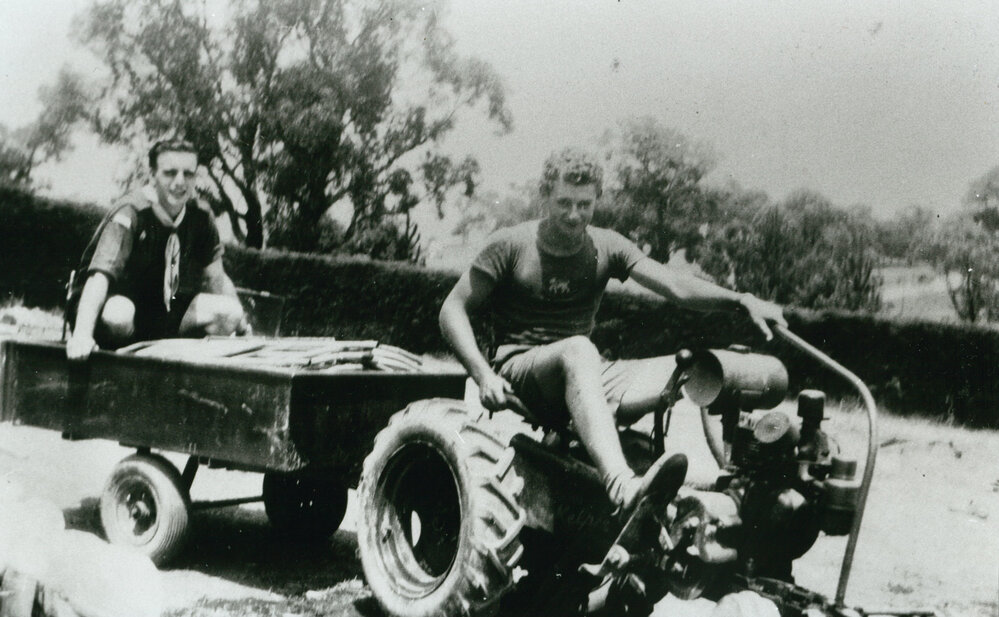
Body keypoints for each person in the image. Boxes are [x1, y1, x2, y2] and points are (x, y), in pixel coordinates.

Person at [439, 148, 786, 517]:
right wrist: (483, 375)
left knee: (700, 368)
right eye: (564, 203)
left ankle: (736, 483)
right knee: (579, 350)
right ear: (544, 196)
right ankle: (622, 485)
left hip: (585, 372)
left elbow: (674, 285)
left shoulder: (606, 245)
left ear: (597, 199)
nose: (574, 215)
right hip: (522, 373)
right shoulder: (510, 244)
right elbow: (451, 311)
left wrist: (741, 300)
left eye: (584, 205)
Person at [66, 138, 247, 361]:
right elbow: (99, 277)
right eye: (170, 173)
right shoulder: (131, 212)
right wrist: (82, 335)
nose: (180, 182)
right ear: (152, 175)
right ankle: (118, 369)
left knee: (230, 312)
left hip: (161, 311)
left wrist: (242, 327)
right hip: (109, 307)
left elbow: (216, 278)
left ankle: (172, 366)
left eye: (188, 174)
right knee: (119, 314)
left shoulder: (200, 216)